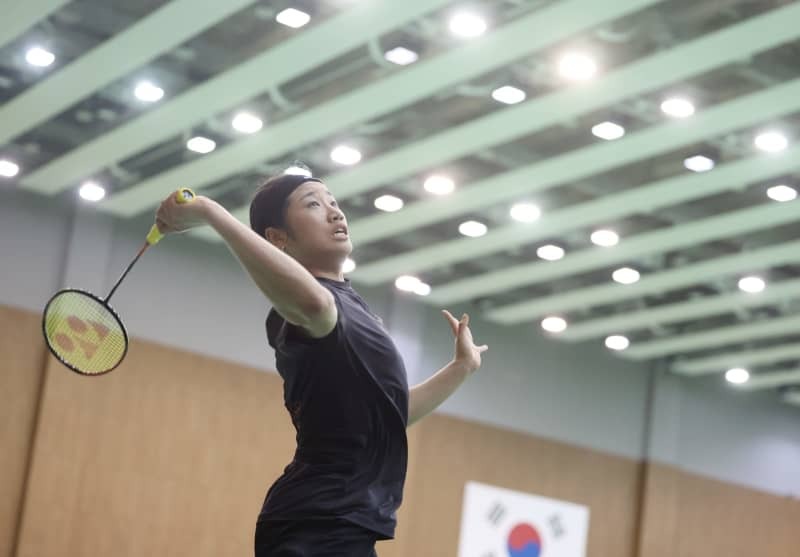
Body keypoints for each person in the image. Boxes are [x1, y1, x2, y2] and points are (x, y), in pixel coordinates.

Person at [155, 173, 488, 556]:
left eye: (333, 202)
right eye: (314, 204)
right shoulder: (299, 312)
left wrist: (461, 367)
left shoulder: (354, 308)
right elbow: (314, 305)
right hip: (317, 522)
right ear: (278, 237)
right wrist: (211, 213)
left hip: (344, 522)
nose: (334, 212)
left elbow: (389, 413)